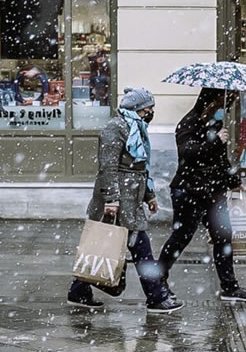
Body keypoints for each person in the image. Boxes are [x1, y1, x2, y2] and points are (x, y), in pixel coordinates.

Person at [67, 87, 182, 313]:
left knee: (104, 247)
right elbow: (107, 167)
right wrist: (111, 199)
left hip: (130, 200)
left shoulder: (136, 127)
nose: (151, 112)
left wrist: (149, 196)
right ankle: (156, 297)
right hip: (117, 202)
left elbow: (141, 167)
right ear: (137, 108)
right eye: (148, 108)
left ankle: (79, 291)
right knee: (140, 249)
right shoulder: (115, 128)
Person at [157, 88, 246, 302]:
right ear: (211, 101)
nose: (225, 108)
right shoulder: (189, 122)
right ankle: (158, 278)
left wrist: (233, 181)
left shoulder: (215, 123)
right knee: (181, 236)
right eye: (223, 103)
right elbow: (188, 153)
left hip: (213, 190)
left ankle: (229, 286)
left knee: (223, 236)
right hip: (189, 190)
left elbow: (220, 160)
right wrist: (215, 141)